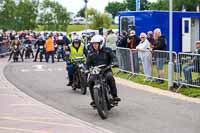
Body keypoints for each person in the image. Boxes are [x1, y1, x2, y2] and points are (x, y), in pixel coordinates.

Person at [87, 35, 121, 107]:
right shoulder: (90, 53)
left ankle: (114, 96)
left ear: (101, 43)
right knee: (90, 81)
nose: (94, 45)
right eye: (93, 44)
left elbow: (113, 57)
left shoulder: (107, 50)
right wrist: (85, 69)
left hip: (106, 69)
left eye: (96, 44)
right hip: (95, 72)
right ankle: (94, 100)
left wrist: (115, 63)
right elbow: (87, 63)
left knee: (110, 77)